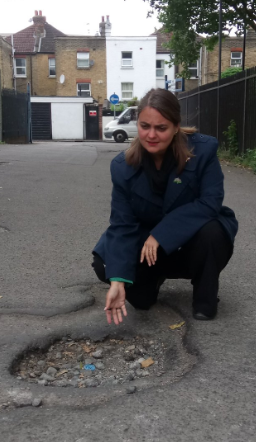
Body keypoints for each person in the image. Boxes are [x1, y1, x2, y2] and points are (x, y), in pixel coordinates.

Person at [92, 88, 238, 325]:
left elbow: (210, 202)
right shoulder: (122, 167)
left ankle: (205, 294)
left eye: (161, 128)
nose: (151, 135)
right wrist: (118, 280)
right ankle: (153, 277)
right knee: (105, 264)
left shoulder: (203, 151)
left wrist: (160, 235)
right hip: (150, 249)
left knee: (213, 232)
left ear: (176, 126)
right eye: (144, 126)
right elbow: (122, 224)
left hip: (191, 241)